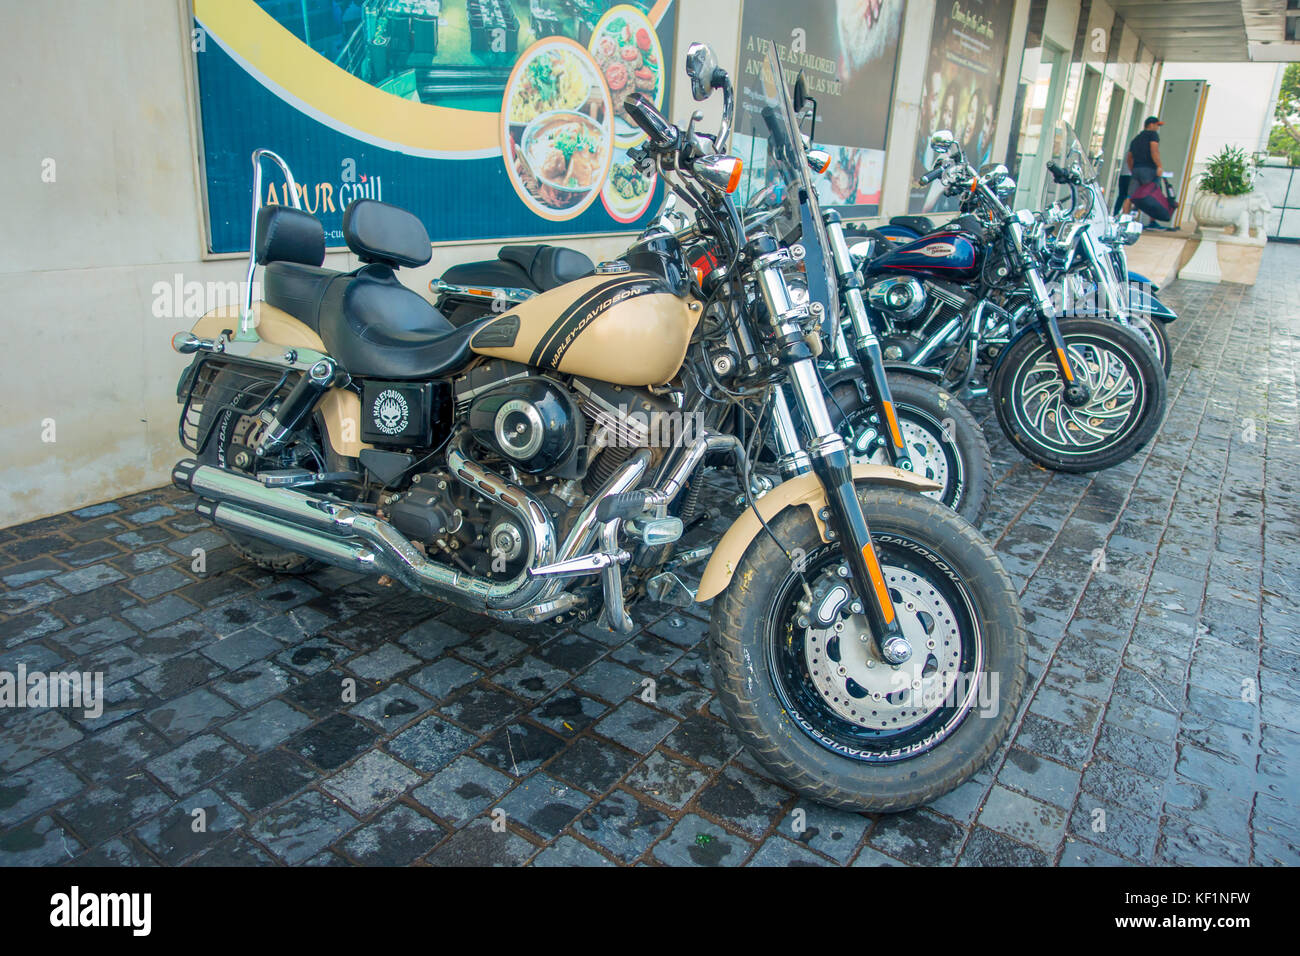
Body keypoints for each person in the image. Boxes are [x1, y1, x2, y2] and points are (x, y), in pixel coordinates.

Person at [1123, 115, 1166, 225]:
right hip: (1149, 170)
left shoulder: (1136, 138)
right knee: (1153, 194)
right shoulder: (1153, 135)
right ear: (1151, 125)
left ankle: (1124, 220)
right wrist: (1159, 166)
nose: (1157, 127)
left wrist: (1133, 169)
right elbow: (1154, 150)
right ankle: (1152, 222)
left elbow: (1129, 157)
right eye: (1157, 125)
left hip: (1136, 169)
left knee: (1130, 196)